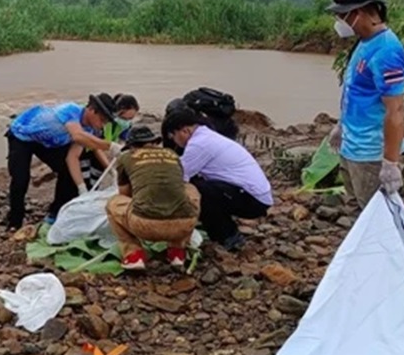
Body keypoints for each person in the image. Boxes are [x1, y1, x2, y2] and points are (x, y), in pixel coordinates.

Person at [326, 0, 404, 207]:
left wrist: (390, 163)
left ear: (360, 13)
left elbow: (396, 110)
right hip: (352, 146)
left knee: (377, 217)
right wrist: (341, 125)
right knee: (359, 207)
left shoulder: (386, 51)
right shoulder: (364, 42)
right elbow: (355, 91)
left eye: (343, 16)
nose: (340, 22)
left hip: (371, 155)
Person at [6, 93, 123, 231]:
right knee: (20, 178)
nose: (103, 125)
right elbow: (77, 136)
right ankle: (15, 221)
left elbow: (72, 157)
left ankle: (56, 211)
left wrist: (82, 188)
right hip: (22, 137)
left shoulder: (89, 129)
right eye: (102, 120)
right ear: (92, 110)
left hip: (47, 144)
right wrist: (110, 145)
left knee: (67, 172)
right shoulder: (70, 110)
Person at [161, 109, 272, 252]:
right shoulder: (207, 136)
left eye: (172, 136)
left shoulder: (199, 144)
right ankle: (216, 225)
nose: (174, 141)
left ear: (185, 131)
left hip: (253, 200)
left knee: (198, 191)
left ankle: (229, 237)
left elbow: (178, 176)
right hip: (253, 194)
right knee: (200, 185)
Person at [105, 126, 201, 271]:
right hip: (184, 225)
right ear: (154, 142)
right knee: (190, 190)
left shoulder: (126, 157)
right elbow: (176, 186)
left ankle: (133, 255)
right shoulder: (172, 154)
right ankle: (177, 252)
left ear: (131, 146)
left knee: (112, 203)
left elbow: (124, 194)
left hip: (144, 225)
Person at [78, 94, 140, 191]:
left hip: (100, 154)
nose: (126, 122)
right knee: (83, 181)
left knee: (94, 183)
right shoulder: (102, 122)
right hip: (85, 151)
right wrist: (110, 169)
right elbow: (96, 146)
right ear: (118, 112)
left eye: (130, 119)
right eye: (125, 118)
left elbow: (124, 142)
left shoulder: (124, 126)